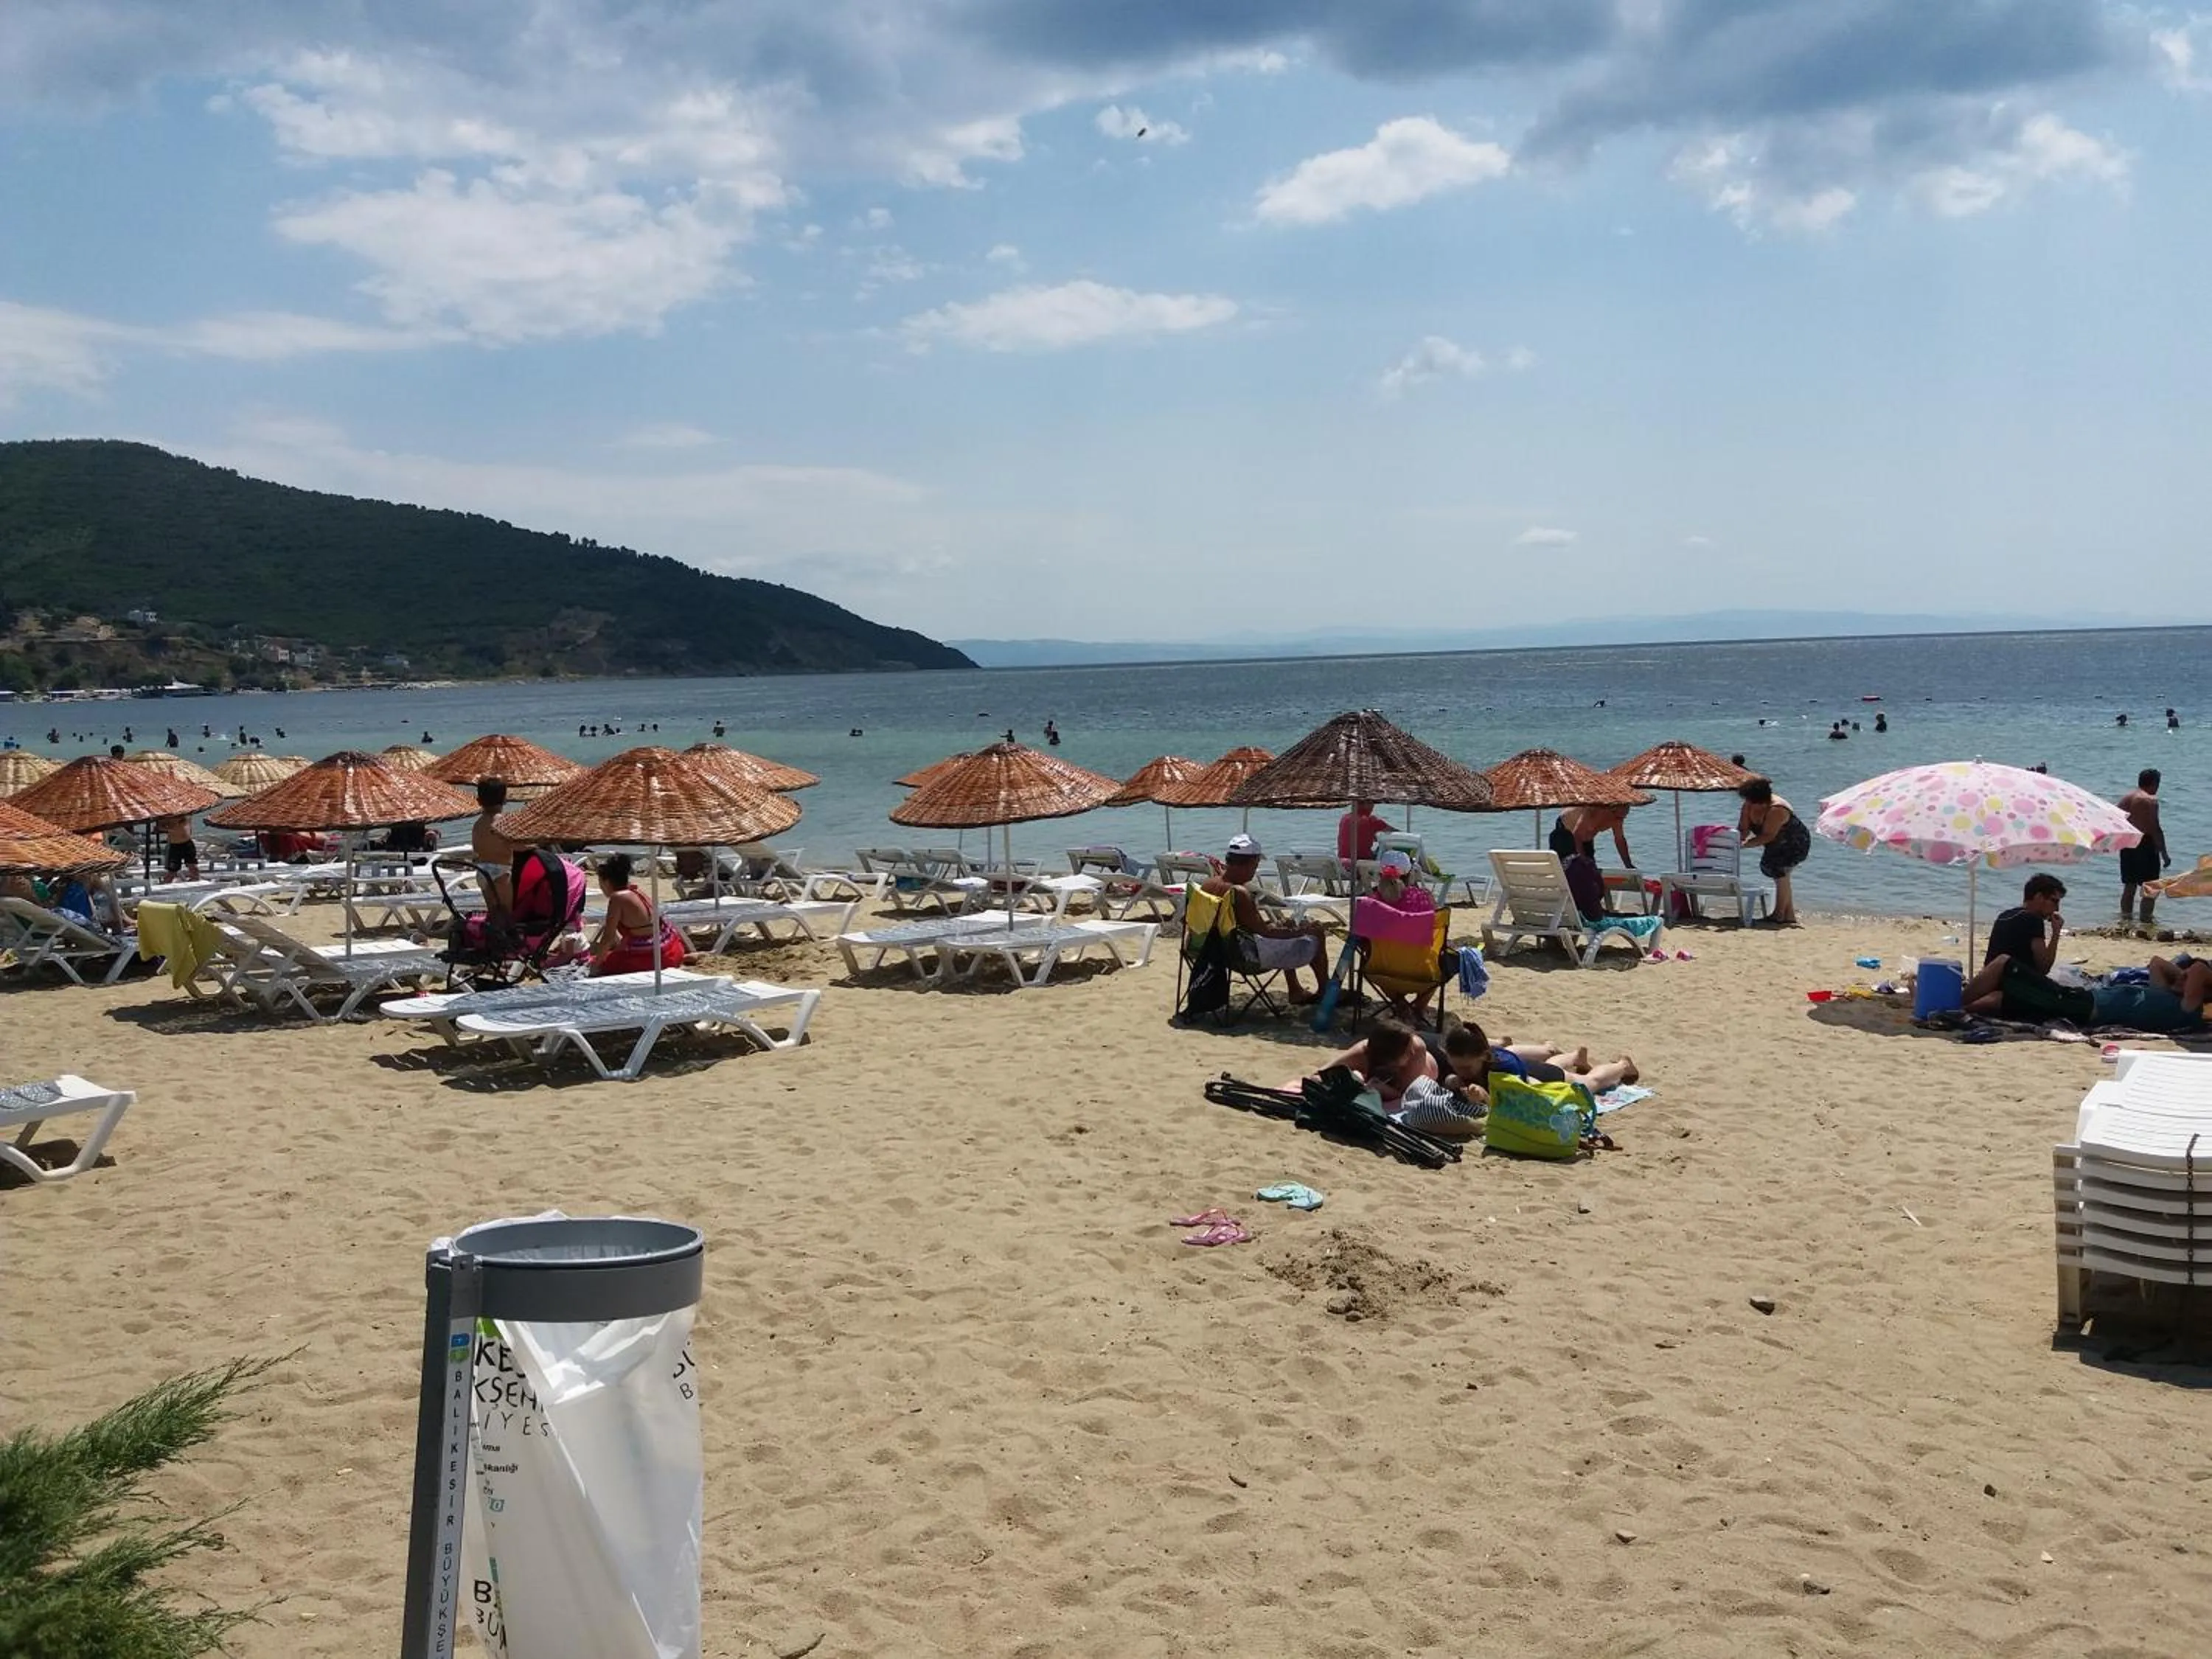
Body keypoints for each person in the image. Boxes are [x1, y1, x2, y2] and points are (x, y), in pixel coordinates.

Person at [1200, 832, 1329, 1004]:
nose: (1255, 871)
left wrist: (1282, 927)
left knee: (1282, 926)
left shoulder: (1207, 885)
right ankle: (1325, 990)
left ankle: (1296, 989)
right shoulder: (1239, 893)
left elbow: (1245, 925)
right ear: (1250, 863)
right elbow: (1267, 933)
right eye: (1255, 865)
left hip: (1211, 951)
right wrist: (1302, 931)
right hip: (1244, 959)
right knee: (1316, 933)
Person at [1437, 1023, 1639, 1099]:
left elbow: (1516, 1104)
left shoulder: (1504, 1069)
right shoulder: (1470, 1059)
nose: (1461, 1071)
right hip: (1529, 1069)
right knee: (1549, 1066)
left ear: (1484, 1057)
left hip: (1537, 1079)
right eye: (1456, 1067)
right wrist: (1454, 1081)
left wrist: (1485, 1098)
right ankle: (1575, 1057)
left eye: (1465, 1068)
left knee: (1589, 1083)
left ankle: (1623, 1066)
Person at [1961, 874, 2067, 1018]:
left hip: (1990, 983)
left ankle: (1961, 1005)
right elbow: (2044, 967)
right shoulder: (2033, 920)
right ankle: (1966, 1008)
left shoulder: (2005, 915)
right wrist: (2056, 933)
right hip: (2013, 986)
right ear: (2039, 897)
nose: (2057, 908)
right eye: (2054, 901)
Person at [588, 852, 686, 976]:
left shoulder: (617, 898)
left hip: (656, 958)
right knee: (608, 957)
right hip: (672, 948)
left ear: (606, 882)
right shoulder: (636, 890)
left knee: (598, 962)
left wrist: (596, 965)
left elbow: (608, 937)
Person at [1737, 777, 1809, 925]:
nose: (1748, 803)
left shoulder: (1777, 809)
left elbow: (1768, 835)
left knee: (1779, 872)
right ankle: (1789, 916)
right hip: (1775, 843)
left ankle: (1779, 914)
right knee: (1780, 875)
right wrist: (1735, 840)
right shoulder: (1748, 805)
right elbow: (1743, 829)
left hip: (1794, 842)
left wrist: (1745, 845)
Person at [470, 778, 528, 923]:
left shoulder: (478, 824)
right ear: (504, 799)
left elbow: (476, 848)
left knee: (494, 912)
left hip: (483, 871)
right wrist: (534, 845)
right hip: (501, 871)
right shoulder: (502, 821)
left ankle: (493, 933)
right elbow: (517, 846)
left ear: (479, 801)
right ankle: (504, 935)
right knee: (506, 912)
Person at [2118, 768, 2170, 928]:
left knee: (2130, 885)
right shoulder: (2150, 800)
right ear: (2154, 783)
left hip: (2128, 842)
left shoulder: (2127, 798)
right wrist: (2164, 853)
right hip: (2145, 844)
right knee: (2151, 887)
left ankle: (2125, 921)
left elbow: (2115, 819)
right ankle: (2146, 922)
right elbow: (2155, 828)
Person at [1548, 803, 1634, 867]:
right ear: (1610, 810)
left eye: (1624, 817)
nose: (1620, 821)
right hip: (1565, 828)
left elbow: (1620, 840)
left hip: (1585, 837)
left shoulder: (1617, 820)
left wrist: (1628, 865)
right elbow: (1576, 836)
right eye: (1618, 818)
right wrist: (1583, 860)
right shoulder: (1593, 811)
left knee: (1591, 868)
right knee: (1570, 865)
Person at [159, 813, 199, 882]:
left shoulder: (186, 814)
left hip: (187, 843)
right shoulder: (166, 816)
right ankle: (165, 883)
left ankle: (195, 881)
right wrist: (171, 828)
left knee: (193, 866)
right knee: (172, 870)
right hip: (175, 845)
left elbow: (187, 824)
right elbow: (159, 827)